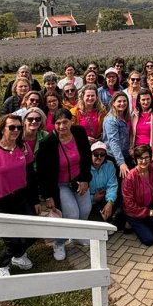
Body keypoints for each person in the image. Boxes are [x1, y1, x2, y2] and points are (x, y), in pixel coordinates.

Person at [0, 114, 40, 277]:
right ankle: (2, 265)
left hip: (21, 198)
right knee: (12, 242)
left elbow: (30, 176)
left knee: (33, 234)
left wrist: (34, 200)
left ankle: (18, 256)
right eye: (12, 127)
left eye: (19, 127)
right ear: (2, 129)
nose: (16, 130)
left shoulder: (23, 148)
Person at [36, 108, 92, 261]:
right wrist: (47, 196)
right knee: (71, 214)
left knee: (85, 210)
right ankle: (59, 242)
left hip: (78, 180)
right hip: (59, 185)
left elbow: (87, 157)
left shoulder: (79, 132)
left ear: (71, 121)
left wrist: (85, 179)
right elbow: (42, 173)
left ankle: (77, 236)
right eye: (58, 123)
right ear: (53, 124)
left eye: (65, 122)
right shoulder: (47, 143)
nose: (62, 127)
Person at [122, 145, 153, 246]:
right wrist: (150, 213)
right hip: (135, 211)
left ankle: (144, 224)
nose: (144, 161)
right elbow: (129, 204)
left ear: (150, 158)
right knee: (149, 240)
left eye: (147, 157)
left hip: (151, 205)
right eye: (140, 158)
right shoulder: (130, 178)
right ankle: (132, 222)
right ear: (135, 160)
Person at [130, 89, 153, 165]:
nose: (146, 102)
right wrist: (131, 151)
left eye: (148, 99)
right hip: (137, 152)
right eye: (143, 100)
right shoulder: (134, 115)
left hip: (151, 152)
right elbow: (131, 134)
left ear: (151, 99)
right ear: (139, 101)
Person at [103, 92, 132, 178]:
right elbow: (113, 142)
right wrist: (121, 163)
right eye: (119, 101)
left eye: (124, 101)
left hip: (125, 154)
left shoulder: (125, 116)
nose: (122, 103)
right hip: (114, 158)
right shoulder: (111, 120)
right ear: (113, 103)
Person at [89, 141, 119, 223]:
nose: (99, 157)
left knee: (114, 198)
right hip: (88, 201)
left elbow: (112, 185)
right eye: (96, 154)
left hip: (104, 198)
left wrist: (110, 202)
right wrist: (93, 198)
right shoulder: (85, 167)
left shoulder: (109, 165)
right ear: (90, 154)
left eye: (102, 154)